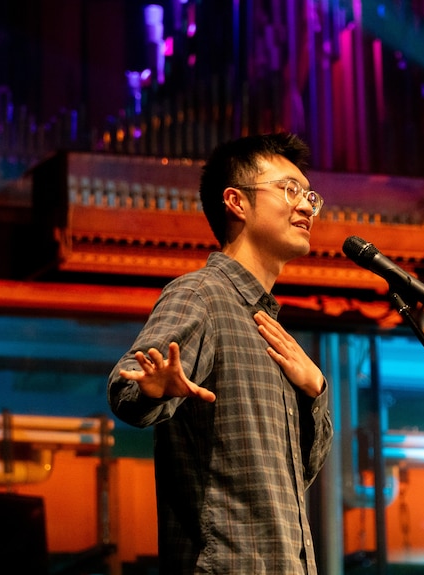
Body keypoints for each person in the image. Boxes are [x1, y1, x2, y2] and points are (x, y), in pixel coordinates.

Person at [107, 132, 334, 574]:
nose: (306, 206)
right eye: (290, 190)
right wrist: (152, 389)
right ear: (236, 201)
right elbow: (127, 385)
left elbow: (297, 478)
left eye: (309, 195)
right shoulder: (202, 295)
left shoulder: (271, 331)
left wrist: (316, 391)